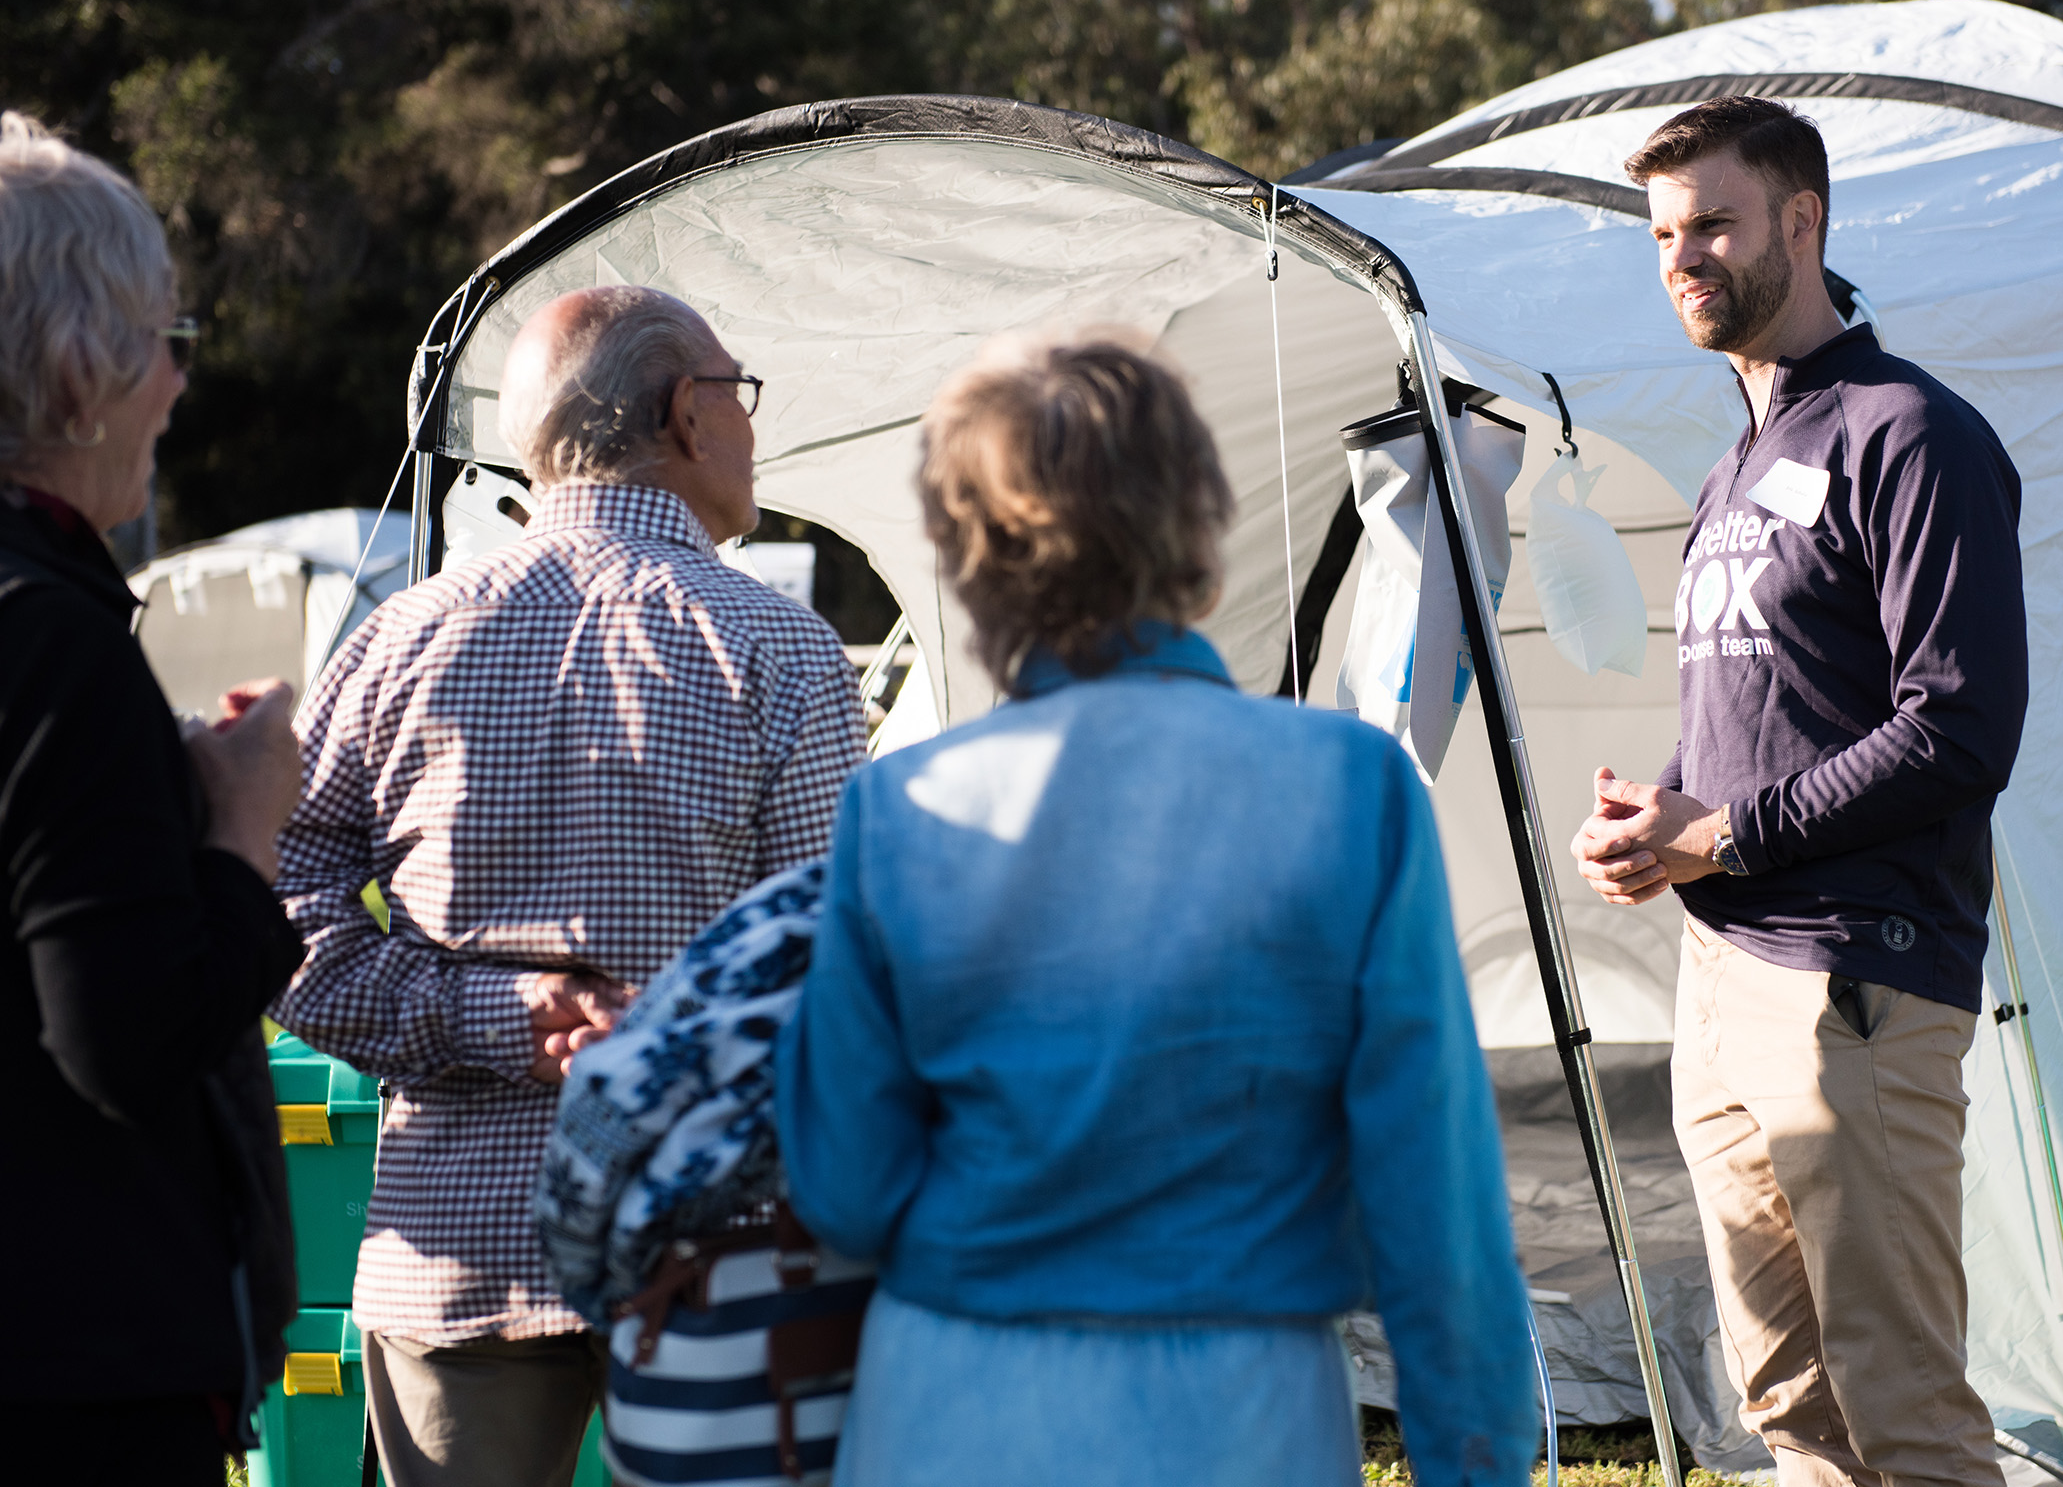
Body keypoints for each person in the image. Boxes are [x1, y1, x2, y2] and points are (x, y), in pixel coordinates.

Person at [775, 332, 1536, 1487]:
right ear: (1196, 519)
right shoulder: (1347, 787)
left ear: (969, 553)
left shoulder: (900, 806)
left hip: (953, 1400)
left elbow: (844, 1182)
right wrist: (1472, 1458)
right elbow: (1435, 1198)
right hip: (1237, 1410)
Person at [273, 285, 868, 1487]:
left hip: (455, 1251)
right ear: (686, 416)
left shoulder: (398, 640)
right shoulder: (780, 649)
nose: (753, 427)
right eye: (738, 393)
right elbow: (839, 967)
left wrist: (501, 1018)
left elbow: (279, 920)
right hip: (720, 1253)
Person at [1570, 97, 2027, 1487]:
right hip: (1724, 979)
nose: (1683, 257)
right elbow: (1759, 715)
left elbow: (1959, 728)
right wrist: (1663, 816)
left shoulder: (1913, 434)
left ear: (1802, 221)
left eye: (1712, 221)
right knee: (1790, 1409)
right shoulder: (1737, 463)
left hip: (1859, 988)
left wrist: (1726, 834)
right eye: (1662, 234)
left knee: (1906, 1413)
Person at [0, 112, 307, 1481]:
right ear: (80, 370)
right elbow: (124, 1044)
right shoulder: (50, 632)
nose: (180, 392)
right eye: (167, 346)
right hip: (73, 1375)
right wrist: (242, 827)